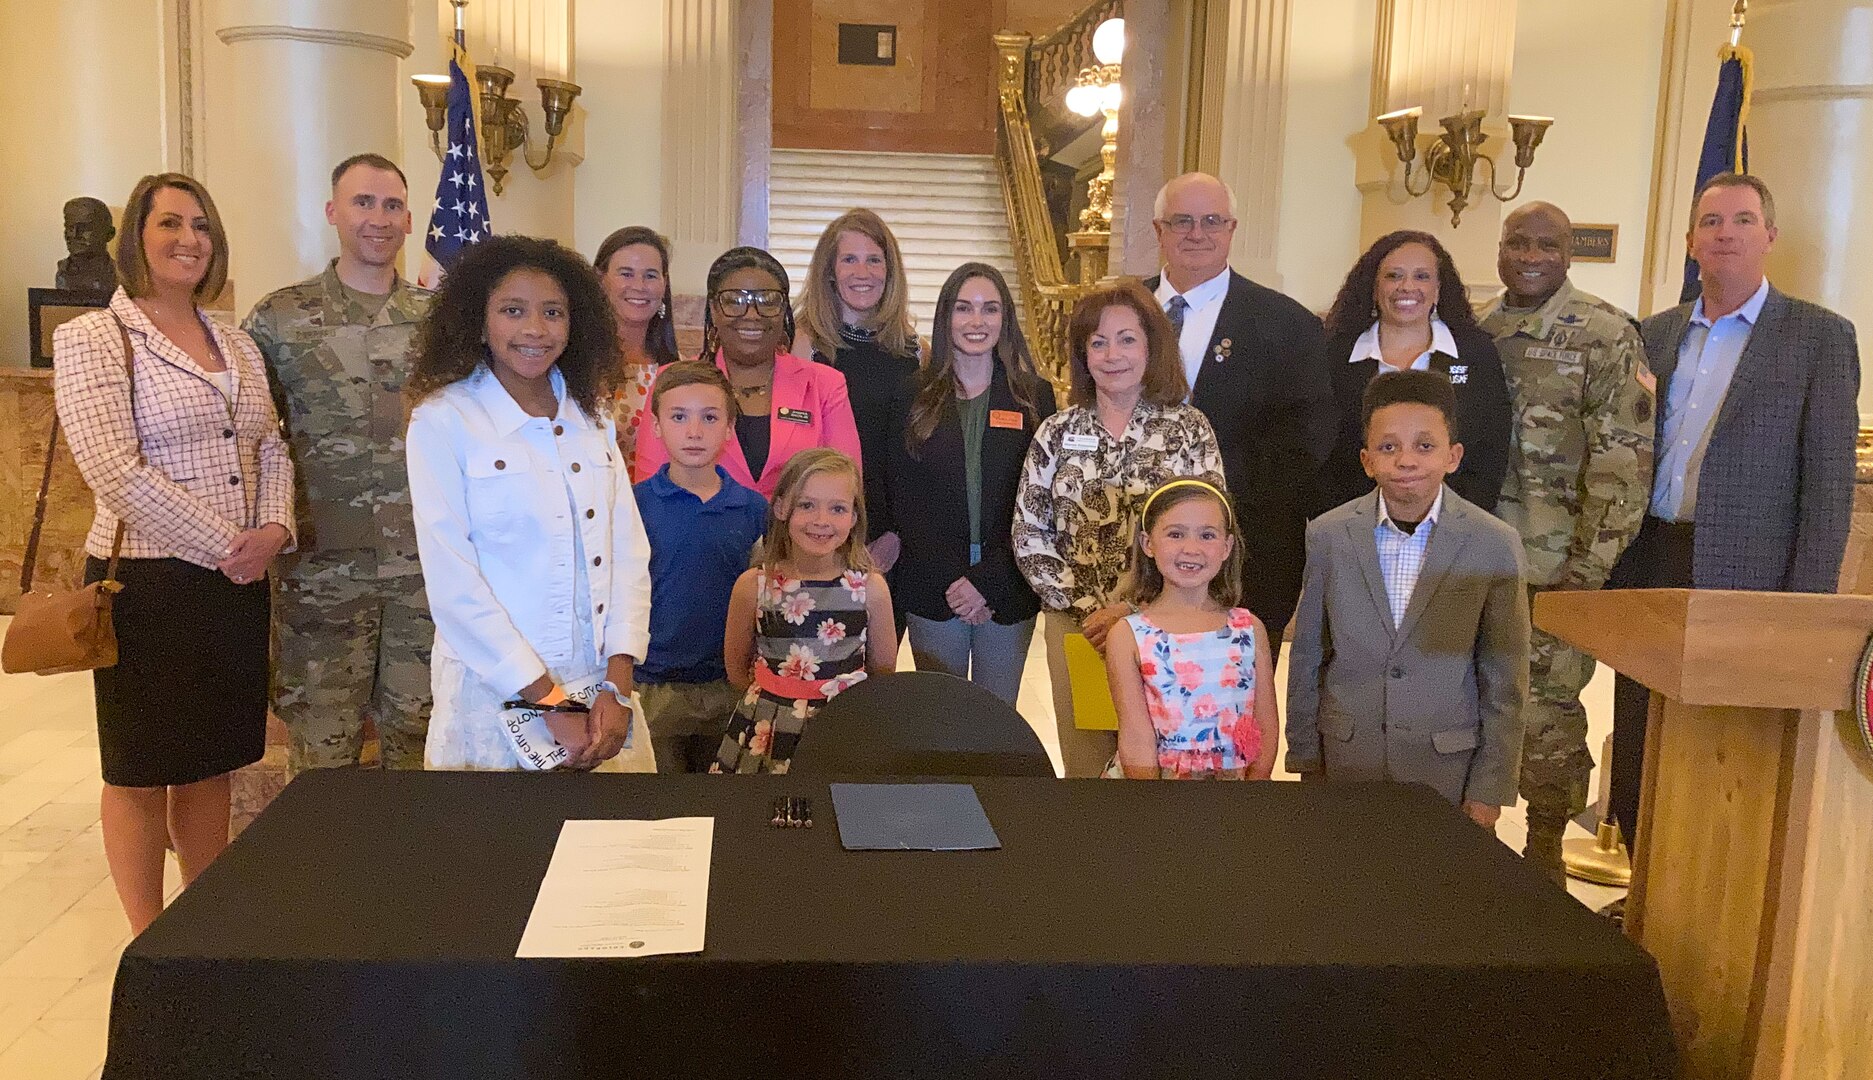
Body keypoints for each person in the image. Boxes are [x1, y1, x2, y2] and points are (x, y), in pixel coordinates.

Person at [52, 173, 295, 933]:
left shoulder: (237, 341)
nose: (189, 238)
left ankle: (206, 918)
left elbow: (271, 445)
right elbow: (114, 469)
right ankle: (149, 935)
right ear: (136, 237)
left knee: (211, 759)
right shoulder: (93, 338)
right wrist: (230, 545)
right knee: (139, 769)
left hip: (233, 585)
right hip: (146, 585)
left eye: (201, 225)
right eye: (169, 224)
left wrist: (276, 530)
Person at [1606, 172, 1859, 846]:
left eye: (1742, 220)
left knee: (1725, 744)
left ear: (1768, 236)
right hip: (1648, 558)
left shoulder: (1817, 338)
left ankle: (1707, 891)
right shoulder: (1650, 335)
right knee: (1637, 730)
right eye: (1711, 222)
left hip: (1747, 572)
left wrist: (1802, 608)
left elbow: (1827, 483)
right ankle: (1639, 876)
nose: (1725, 234)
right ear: (1690, 241)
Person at [405, 235, 651, 771]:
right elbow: (454, 586)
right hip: (497, 693)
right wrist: (546, 700)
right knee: (500, 852)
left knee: (607, 849)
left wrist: (619, 685)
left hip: (600, 695)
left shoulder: (592, 417)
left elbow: (630, 553)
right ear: (480, 319)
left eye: (553, 312)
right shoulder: (444, 420)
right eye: (512, 311)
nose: (534, 329)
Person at [1477, 201, 1654, 883]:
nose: (1528, 255)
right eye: (1516, 242)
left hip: (1555, 567)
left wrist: (1588, 570)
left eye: (1544, 244)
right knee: (1472, 700)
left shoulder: (1605, 335)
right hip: (1475, 559)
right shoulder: (1479, 331)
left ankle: (1545, 844)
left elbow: (1622, 462)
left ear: (1566, 253)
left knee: (1545, 714)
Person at [243, 152, 435, 774]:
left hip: (423, 577)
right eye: (362, 202)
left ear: (409, 221)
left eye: (391, 205)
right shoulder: (280, 317)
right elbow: (244, 435)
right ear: (332, 213)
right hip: (321, 576)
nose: (377, 218)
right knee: (323, 755)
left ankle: (410, 874)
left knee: (420, 740)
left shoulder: (439, 323)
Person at [1287, 370, 1529, 827]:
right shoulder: (1328, 536)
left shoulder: (1493, 542)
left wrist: (1489, 789)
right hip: (1345, 761)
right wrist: (1304, 756)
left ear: (1453, 456)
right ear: (1366, 460)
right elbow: (1308, 657)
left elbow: (1506, 674)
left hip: (1445, 767)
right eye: (1388, 447)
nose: (1405, 460)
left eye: (1424, 445)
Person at [1014, 281, 1226, 777]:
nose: (1113, 355)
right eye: (1099, 342)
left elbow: (1211, 529)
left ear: (1152, 347)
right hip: (1081, 629)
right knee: (1088, 769)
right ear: (1083, 354)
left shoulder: (1188, 429)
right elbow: (1029, 531)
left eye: (1127, 339)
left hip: (1172, 623)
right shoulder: (1058, 431)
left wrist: (1134, 610)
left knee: (1168, 764)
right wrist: (1095, 613)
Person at [1144, 173, 1336, 649]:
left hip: (1247, 553)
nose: (1197, 233)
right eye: (1182, 221)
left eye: (1212, 221)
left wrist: (1209, 508)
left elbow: (1307, 442)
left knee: (1235, 714)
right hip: (1133, 556)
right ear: (1158, 230)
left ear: (1232, 229)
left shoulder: (1286, 324)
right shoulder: (1119, 311)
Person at [888, 263, 1055, 704]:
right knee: (940, 718)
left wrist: (988, 581)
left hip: (1008, 584)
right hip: (933, 582)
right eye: (964, 309)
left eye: (990, 309)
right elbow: (904, 499)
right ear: (946, 317)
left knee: (998, 720)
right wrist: (955, 581)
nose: (976, 322)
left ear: (1006, 320)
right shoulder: (912, 396)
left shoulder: (1034, 397)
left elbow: (1038, 502)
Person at [715, 448, 896, 774]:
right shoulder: (753, 585)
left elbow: (882, 673)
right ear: (782, 507)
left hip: (844, 729)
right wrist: (778, 700)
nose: (821, 521)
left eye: (837, 508)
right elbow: (736, 668)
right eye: (807, 505)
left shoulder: (871, 589)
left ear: (854, 517)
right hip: (766, 730)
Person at [634, 246, 860, 499]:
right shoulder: (673, 382)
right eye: (734, 300)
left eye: (767, 300)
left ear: (784, 310)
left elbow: (846, 488)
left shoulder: (825, 385)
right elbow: (649, 494)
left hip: (801, 536)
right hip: (699, 536)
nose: (751, 314)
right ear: (714, 309)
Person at [634, 361, 769, 772]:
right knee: (659, 806)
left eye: (709, 418)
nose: (694, 432)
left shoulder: (753, 509)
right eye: (679, 417)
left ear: (730, 428)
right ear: (656, 425)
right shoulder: (633, 504)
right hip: (653, 687)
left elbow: (765, 602)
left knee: (723, 803)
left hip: (730, 685)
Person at [1317, 230, 1511, 516]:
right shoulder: (1333, 354)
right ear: (1373, 286)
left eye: (1422, 276)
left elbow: (1492, 448)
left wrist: (1461, 520)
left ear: (1439, 288)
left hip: (1453, 525)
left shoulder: (1475, 352)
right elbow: (1320, 449)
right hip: (1350, 524)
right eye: (1394, 276)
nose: (1407, 287)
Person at [1105, 478, 1278, 780]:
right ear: (1148, 544)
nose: (1191, 548)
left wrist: (1255, 792)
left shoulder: (1250, 629)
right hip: (1157, 795)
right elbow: (1136, 739)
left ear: (1227, 547)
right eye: (1175, 534)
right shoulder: (1128, 635)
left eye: (1207, 535)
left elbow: (1265, 726)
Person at [795, 209, 922, 581]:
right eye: (849, 259)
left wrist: (896, 535)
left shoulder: (915, 352)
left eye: (873, 260)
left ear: (890, 270)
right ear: (830, 270)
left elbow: (917, 459)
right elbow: (795, 455)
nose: (862, 273)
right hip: (819, 535)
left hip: (893, 543)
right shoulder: (803, 346)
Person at [593, 225, 680, 475]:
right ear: (601, 280)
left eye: (651, 275)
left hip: (661, 509)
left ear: (664, 284)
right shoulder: (578, 365)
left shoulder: (677, 368)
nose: (639, 286)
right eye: (626, 274)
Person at [58, 195, 118, 294]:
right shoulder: (62, 272)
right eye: (70, 227)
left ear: (109, 234)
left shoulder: (122, 276)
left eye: (85, 228)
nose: (74, 235)